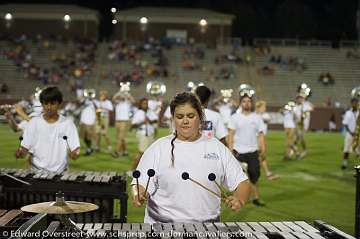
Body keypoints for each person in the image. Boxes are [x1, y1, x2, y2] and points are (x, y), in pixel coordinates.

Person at [132, 92, 250, 223]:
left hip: (206, 230)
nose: (185, 121)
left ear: (200, 117)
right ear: (173, 119)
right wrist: (139, 193)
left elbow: (241, 181)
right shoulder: (157, 148)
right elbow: (140, 182)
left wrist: (239, 199)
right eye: (179, 116)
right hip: (161, 228)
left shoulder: (217, 148)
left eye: (190, 116)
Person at [15, 86, 80, 173]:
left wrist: (74, 155)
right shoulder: (33, 123)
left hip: (60, 175)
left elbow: (75, 150)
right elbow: (24, 149)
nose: (49, 107)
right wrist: (20, 153)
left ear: (59, 104)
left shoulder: (68, 124)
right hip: (36, 173)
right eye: (46, 103)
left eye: (52, 103)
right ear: (42, 104)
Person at [227, 94, 266, 207]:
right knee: (238, 178)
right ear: (240, 103)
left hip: (253, 151)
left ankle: (255, 198)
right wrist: (230, 150)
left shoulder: (257, 118)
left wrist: (263, 149)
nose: (247, 103)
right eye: (244, 101)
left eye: (249, 101)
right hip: (238, 152)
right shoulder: (235, 117)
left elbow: (260, 135)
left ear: (252, 103)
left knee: (254, 175)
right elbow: (231, 134)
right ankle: (237, 199)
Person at [131, 98, 158, 169]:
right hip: (142, 134)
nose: (145, 105)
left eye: (146, 103)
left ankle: (146, 170)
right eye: (144, 103)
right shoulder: (138, 112)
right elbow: (133, 125)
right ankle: (133, 170)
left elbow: (155, 120)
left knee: (151, 154)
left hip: (150, 134)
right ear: (140, 104)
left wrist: (149, 120)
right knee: (141, 153)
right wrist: (142, 122)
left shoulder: (150, 112)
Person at [255, 101, 279, 180]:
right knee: (260, 155)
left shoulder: (264, 115)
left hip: (262, 137)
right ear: (259, 107)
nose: (264, 109)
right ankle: (267, 173)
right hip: (256, 138)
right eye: (263, 107)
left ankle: (266, 172)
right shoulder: (253, 115)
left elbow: (268, 119)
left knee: (262, 155)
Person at [113, 90, 135, 157]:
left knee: (120, 137)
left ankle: (117, 152)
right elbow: (113, 98)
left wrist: (127, 94)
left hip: (125, 121)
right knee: (121, 138)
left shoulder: (127, 102)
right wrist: (120, 92)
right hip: (117, 121)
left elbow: (133, 101)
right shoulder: (117, 102)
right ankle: (125, 151)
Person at [94, 90, 116, 157]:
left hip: (105, 118)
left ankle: (109, 148)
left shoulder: (108, 102)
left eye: (104, 94)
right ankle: (97, 147)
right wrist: (100, 102)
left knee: (104, 134)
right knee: (97, 133)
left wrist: (103, 107)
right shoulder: (98, 102)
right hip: (98, 118)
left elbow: (111, 109)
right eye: (101, 94)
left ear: (106, 96)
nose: (102, 96)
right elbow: (97, 109)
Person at [293, 94, 314, 159]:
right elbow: (294, 115)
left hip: (304, 125)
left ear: (303, 99)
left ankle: (304, 150)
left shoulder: (306, 105)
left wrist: (305, 111)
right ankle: (296, 150)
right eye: (298, 98)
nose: (299, 99)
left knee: (300, 137)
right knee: (296, 140)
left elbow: (312, 108)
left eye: (301, 98)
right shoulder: (296, 107)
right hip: (298, 124)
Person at [341, 98, 359, 169]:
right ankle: (344, 163)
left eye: (356, 102)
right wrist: (351, 132)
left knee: (358, 149)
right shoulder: (348, 112)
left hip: (358, 134)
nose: (355, 104)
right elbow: (345, 124)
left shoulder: (359, 112)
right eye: (354, 102)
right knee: (346, 149)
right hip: (350, 134)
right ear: (351, 103)